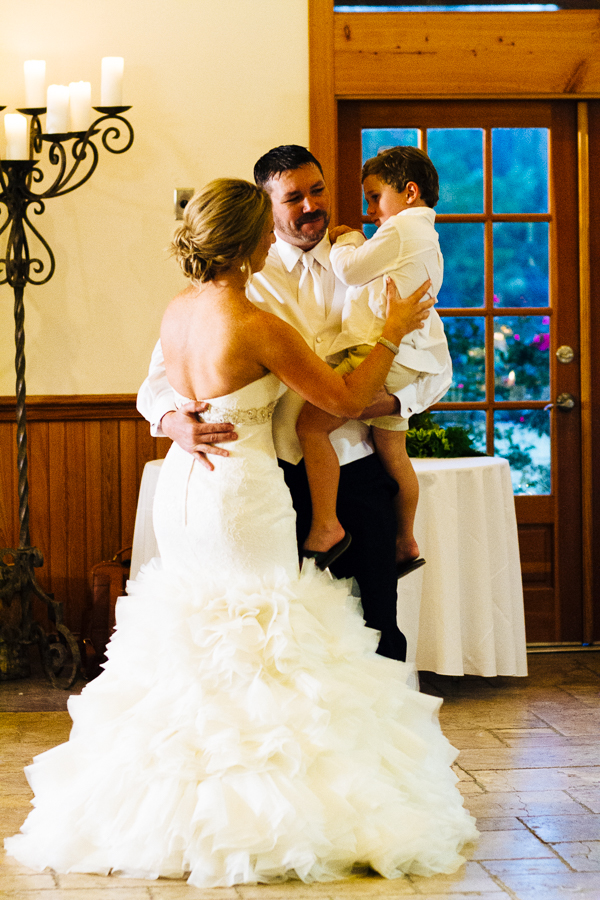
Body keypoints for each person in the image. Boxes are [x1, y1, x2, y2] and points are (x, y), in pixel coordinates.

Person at [5, 179, 477, 888]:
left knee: (200, 636)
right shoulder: (256, 323)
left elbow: (166, 386)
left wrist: (176, 421)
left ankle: (181, 813)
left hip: (185, 490)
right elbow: (346, 397)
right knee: (263, 638)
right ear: (253, 239)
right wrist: (390, 331)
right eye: (266, 226)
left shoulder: (178, 310)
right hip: (239, 496)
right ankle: (261, 817)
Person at [137, 145, 449, 663]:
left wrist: (392, 401)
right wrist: (173, 421)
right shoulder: (236, 281)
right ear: (266, 207)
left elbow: (435, 361)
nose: (311, 206)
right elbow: (158, 379)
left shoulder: (377, 257)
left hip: (357, 465)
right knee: (282, 635)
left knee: (378, 628)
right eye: (293, 197)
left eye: (318, 190)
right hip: (272, 474)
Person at [296, 146, 451, 577]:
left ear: (410, 192)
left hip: (377, 354)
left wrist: (347, 239)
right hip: (407, 359)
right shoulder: (427, 238)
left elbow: (348, 271)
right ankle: (406, 540)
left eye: (375, 198)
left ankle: (326, 527)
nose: (369, 211)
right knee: (393, 452)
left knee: (310, 426)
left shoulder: (401, 229)